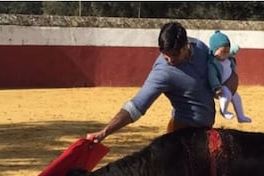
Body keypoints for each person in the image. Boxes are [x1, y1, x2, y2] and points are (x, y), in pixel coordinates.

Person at [86, 21, 216, 143]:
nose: (170, 60)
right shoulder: (163, 72)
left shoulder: (200, 48)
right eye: (165, 54)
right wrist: (105, 132)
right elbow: (136, 106)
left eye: (174, 55)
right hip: (181, 137)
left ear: (186, 46)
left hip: (206, 133)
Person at [207, 30, 251, 123]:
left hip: (230, 86)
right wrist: (216, 87)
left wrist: (237, 48)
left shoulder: (228, 57)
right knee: (226, 95)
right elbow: (212, 76)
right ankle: (224, 111)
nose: (225, 54)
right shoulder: (212, 63)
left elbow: (232, 51)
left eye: (227, 51)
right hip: (221, 87)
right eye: (222, 51)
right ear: (214, 50)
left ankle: (241, 116)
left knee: (237, 98)